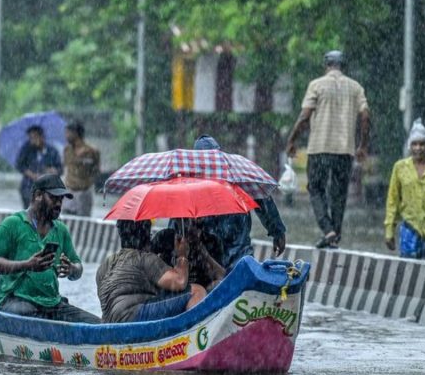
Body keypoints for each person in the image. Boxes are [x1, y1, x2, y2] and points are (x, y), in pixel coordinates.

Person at [0, 174, 100, 323]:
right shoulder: (12, 224)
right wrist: (27, 265)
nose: (59, 204)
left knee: (96, 324)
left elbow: (78, 268)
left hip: (51, 304)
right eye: (54, 198)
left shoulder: (60, 230)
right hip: (15, 301)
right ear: (38, 195)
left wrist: (72, 269)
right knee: (37, 319)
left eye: (61, 200)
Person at [285, 50, 370, 249]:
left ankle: (327, 229)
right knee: (339, 193)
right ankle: (336, 234)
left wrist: (292, 140)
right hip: (345, 150)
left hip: (319, 148)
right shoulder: (356, 87)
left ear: (326, 65)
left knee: (316, 188)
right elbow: (366, 116)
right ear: (343, 66)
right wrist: (363, 145)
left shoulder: (316, 85)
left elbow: (304, 116)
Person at [192, 134, 287, 265]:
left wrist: (278, 231)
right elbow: (263, 200)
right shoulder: (239, 177)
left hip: (214, 262)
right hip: (236, 259)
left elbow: (263, 201)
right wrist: (278, 232)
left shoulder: (191, 187)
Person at [96, 219, 207, 323]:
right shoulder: (144, 258)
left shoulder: (105, 264)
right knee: (197, 291)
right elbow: (180, 281)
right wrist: (182, 255)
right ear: (147, 236)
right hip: (133, 316)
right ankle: (189, 336)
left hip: (109, 322)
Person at [384, 119, 425, 262]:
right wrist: (389, 230)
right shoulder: (400, 168)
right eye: (414, 144)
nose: (418, 148)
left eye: (422, 144)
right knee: (409, 275)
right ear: (410, 146)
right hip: (410, 232)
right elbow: (393, 201)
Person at [151, 219, 226, 291]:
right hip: (172, 289)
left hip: (203, 292)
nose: (189, 224)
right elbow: (147, 267)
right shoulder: (164, 237)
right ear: (176, 219)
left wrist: (203, 252)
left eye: (193, 221)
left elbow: (222, 276)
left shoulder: (211, 241)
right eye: (185, 220)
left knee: (217, 284)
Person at [15, 124, 62, 209]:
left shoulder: (52, 151)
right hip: (29, 188)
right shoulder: (26, 149)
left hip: (47, 190)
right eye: (30, 138)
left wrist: (53, 171)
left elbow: (59, 168)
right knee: (30, 212)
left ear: (42, 137)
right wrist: (32, 175)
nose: (32, 140)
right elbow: (20, 165)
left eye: (34, 137)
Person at [60, 120, 100, 217]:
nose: (66, 136)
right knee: (66, 221)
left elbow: (96, 171)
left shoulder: (92, 151)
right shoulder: (67, 150)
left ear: (75, 133)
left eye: (68, 133)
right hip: (69, 191)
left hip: (84, 193)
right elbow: (64, 167)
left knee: (83, 223)